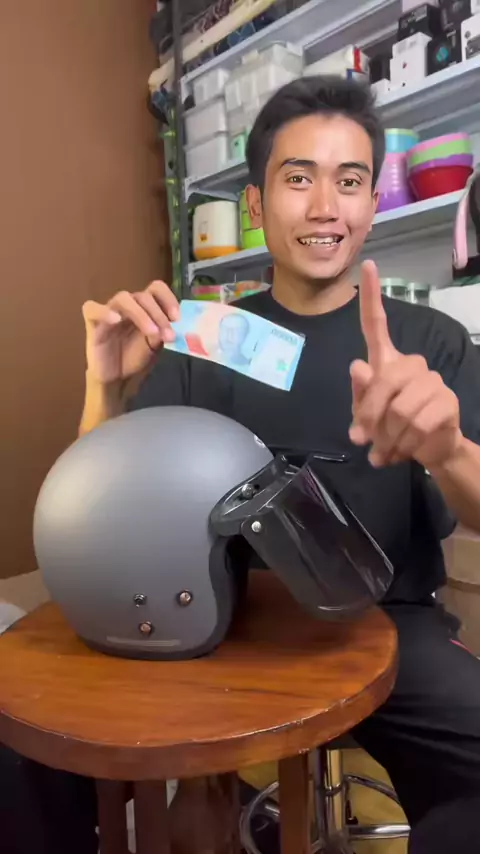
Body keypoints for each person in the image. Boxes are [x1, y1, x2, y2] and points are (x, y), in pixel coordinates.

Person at [75, 75, 480, 849]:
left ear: (371, 202)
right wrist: (104, 387)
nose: (326, 206)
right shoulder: (205, 338)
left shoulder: (429, 342)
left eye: (349, 182)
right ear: (257, 205)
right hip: (223, 627)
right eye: (299, 179)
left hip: (391, 627)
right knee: (139, 797)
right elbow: (97, 514)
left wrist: (448, 447)